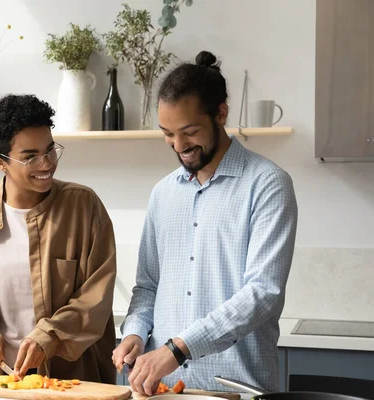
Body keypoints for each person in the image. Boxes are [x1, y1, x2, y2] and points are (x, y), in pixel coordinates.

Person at [112, 51, 298, 395]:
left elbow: (262, 293)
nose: (179, 145)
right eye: (168, 134)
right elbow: (148, 286)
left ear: (220, 113)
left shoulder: (268, 184)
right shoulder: (163, 193)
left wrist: (177, 349)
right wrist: (135, 332)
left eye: (189, 131)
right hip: (165, 389)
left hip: (237, 388)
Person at [0, 94, 117, 383]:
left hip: (67, 379)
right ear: (0, 162)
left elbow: (96, 298)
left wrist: (49, 336)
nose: (46, 164)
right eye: (30, 157)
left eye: (50, 150)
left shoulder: (84, 207)